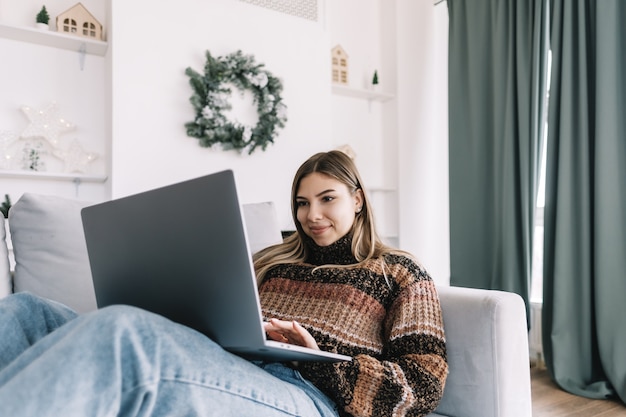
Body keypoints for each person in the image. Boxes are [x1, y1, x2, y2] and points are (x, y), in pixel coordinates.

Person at [0, 150, 448, 417]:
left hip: (308, 396)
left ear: (358, 199)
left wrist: (318, 361)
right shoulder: (270, 260)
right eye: (301, 203)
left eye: (327, 199)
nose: (312, 215)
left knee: (123, 332)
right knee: (25, 311)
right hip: (226, 366)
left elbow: (424, 385)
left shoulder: (397, 271)